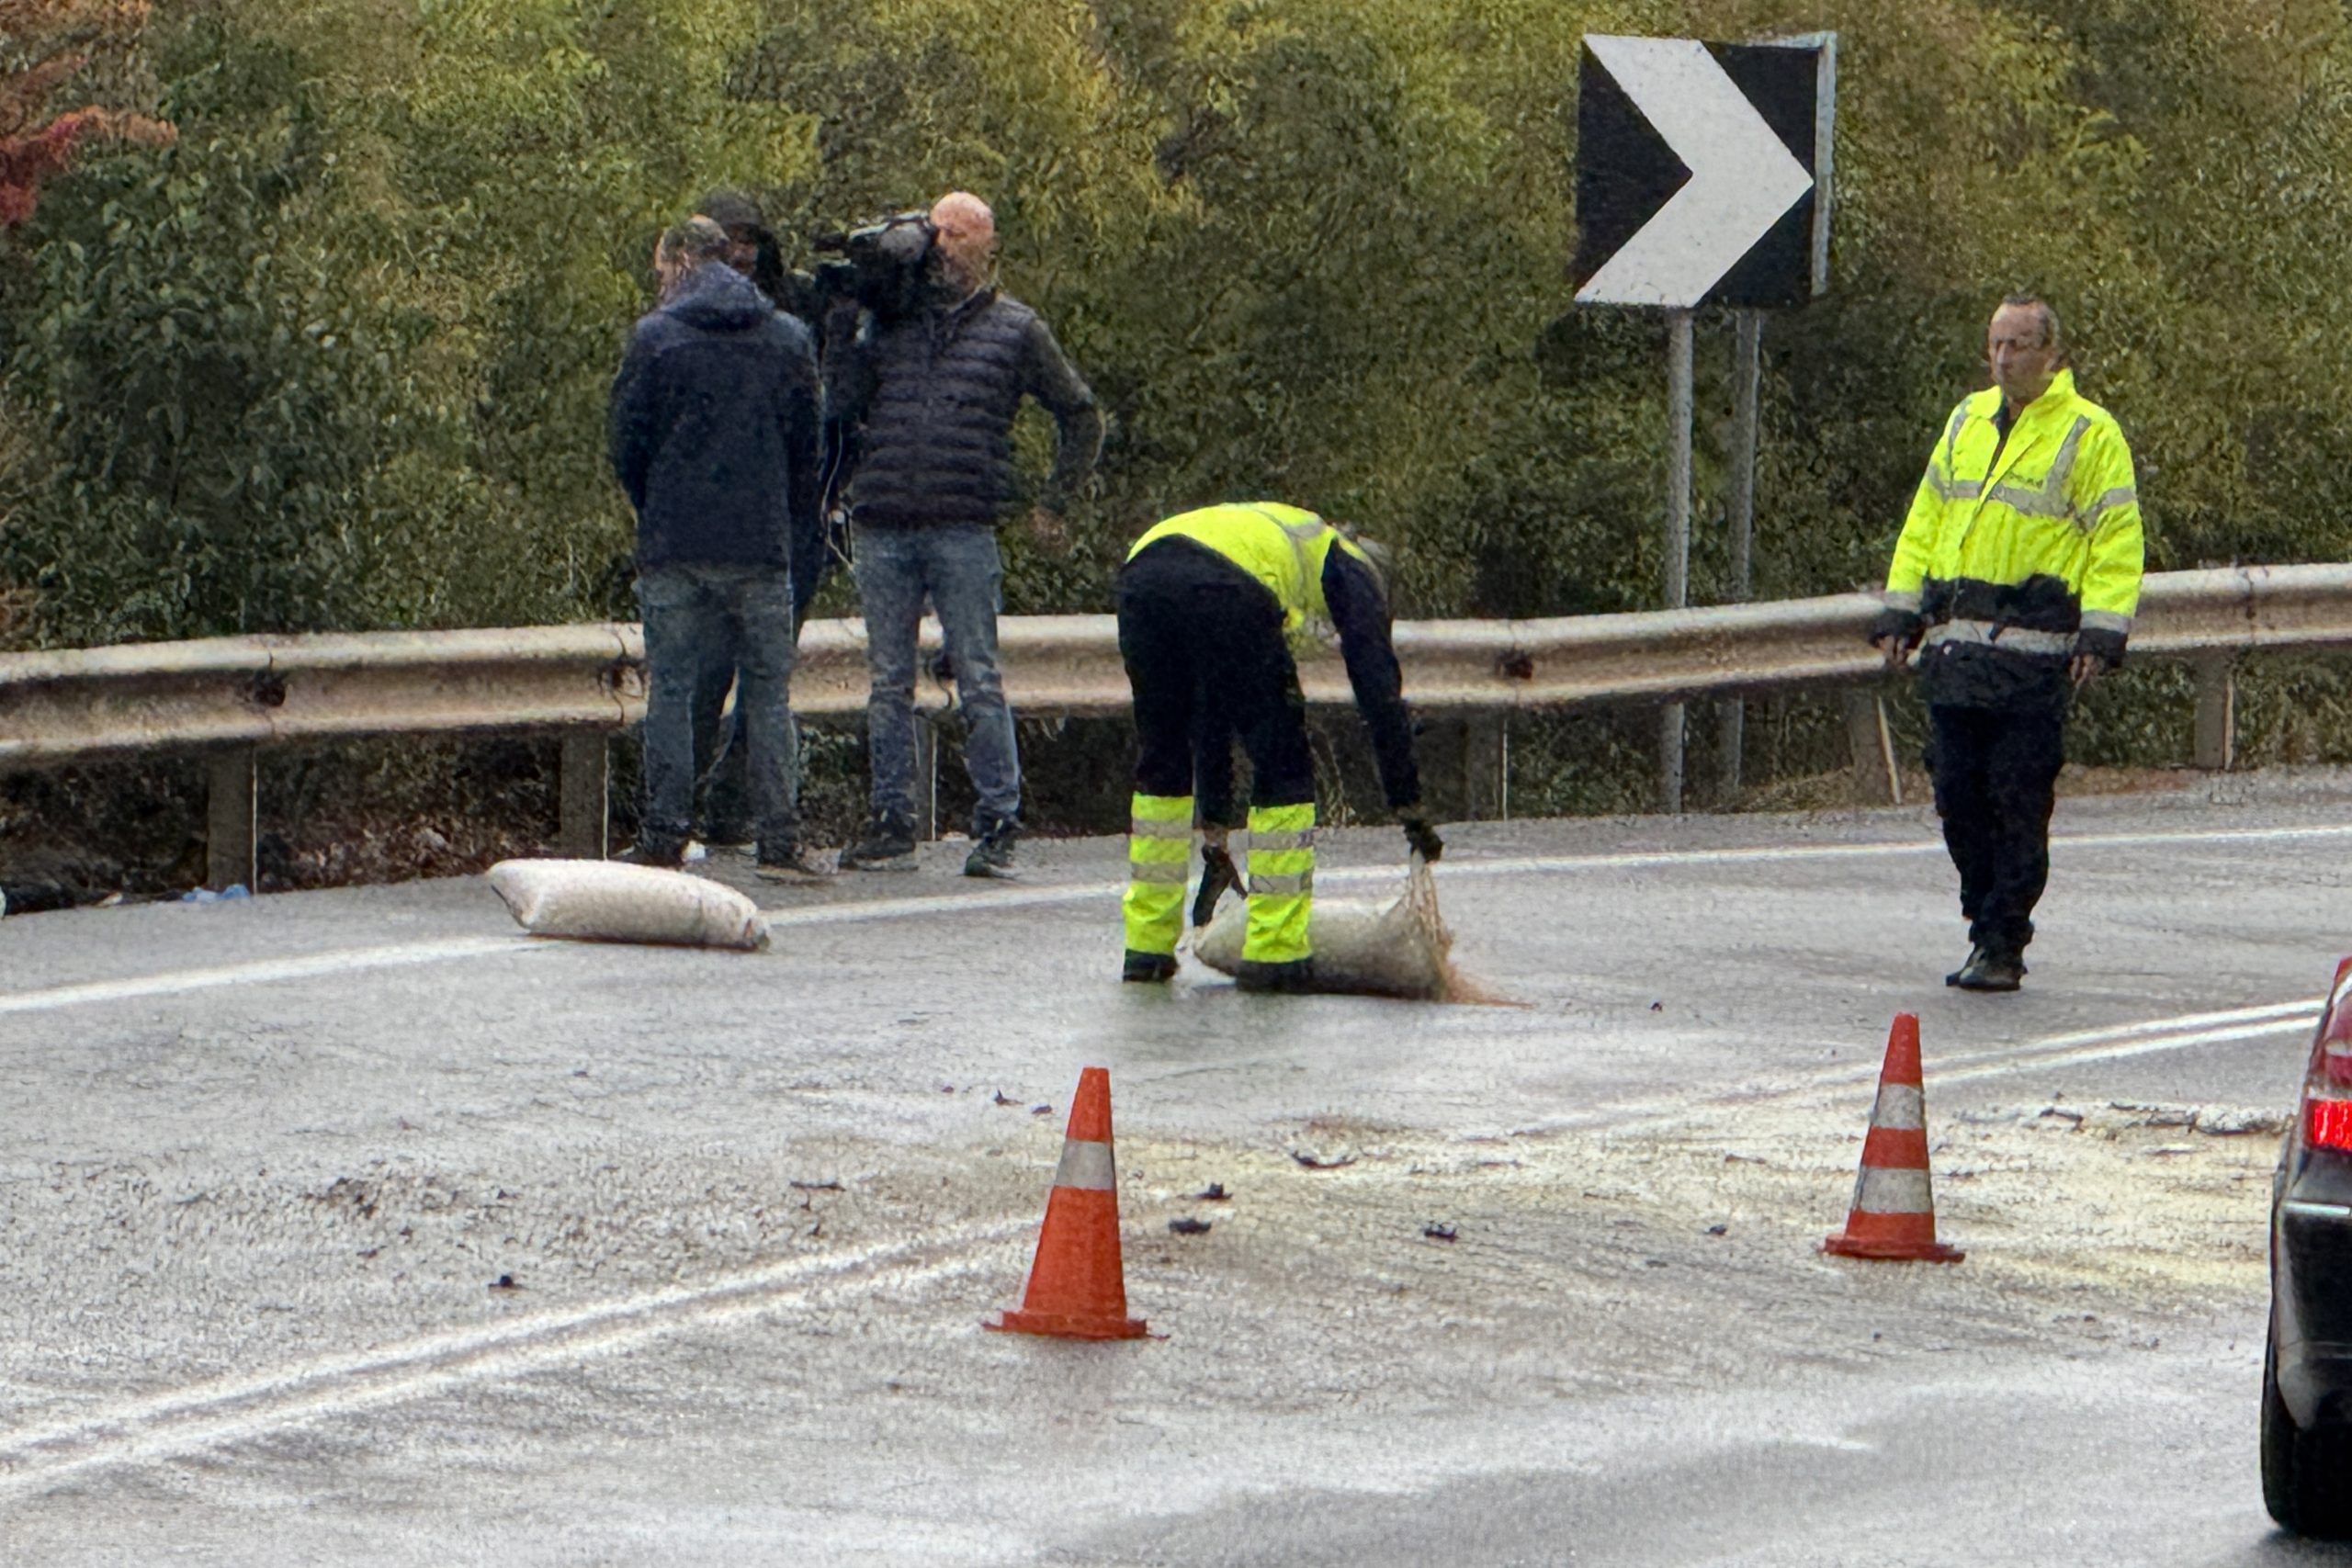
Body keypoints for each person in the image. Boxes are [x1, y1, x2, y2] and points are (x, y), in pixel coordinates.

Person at [1869, 295, 2144, 991]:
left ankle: (2002, 941)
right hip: (1959, 655)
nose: (2002, 358)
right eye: (1995, 344)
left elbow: (2116, 539)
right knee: (1958, 797)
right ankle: (1982, 921)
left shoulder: (2089, 433)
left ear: (2051, 354)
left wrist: (2103, 629)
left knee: (2016, 799)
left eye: (2017, 345)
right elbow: (1925, 518)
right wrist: (1901, 611)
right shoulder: (1966, 420)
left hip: (2034, 657)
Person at [827, 190, 1102, 877]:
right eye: (935, 233)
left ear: (986, 246)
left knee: (978, 677)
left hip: (963, 523)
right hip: (884, 519)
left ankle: (999, 819)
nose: (941, 246)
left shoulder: (1016, 329)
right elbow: (839, 404)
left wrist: (1054, 501)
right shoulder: (891, 321)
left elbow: (1082, 413)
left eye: (957, 235)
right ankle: (891, 820)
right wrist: (847, 323)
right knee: (888, 683)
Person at [1114, 502, 1444, 991]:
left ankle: (1147, 946)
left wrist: (1215, 834)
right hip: (1224, 585)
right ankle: (1276, 951)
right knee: (1282, 760)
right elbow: (1377, 690)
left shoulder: (1267, 533)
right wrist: (1408, 803)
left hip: (1142, 576)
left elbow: (1211, 715)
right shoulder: (1346, 561)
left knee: (1163, 759)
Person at [607, 217, 824, 878]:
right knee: (769, 694)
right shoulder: (786, 337)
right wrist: (781, 514)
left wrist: (657, 505)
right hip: (760, 543)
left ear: (678, 261)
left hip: (676, 542)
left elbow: (626, 442)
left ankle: (665, 832)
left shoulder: (657, 338)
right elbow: (806, 445)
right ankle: (780, 840)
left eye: (659, 267)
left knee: (670, 688)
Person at [684, 191, 831, 851]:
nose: (742, 253)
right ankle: (680, 811)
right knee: (706, 674)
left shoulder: (797, 317)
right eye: (729, 239)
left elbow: (817, 426)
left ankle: (734, 809)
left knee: (766, 687)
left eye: (751, 239)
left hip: (790, 524)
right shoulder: (676, 323)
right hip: (709, 523)